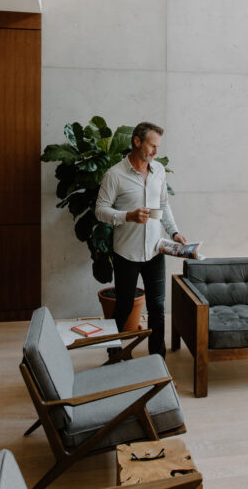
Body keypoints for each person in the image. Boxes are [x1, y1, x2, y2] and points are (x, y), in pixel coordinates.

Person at [95, 121, 186, 358]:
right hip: (126, 253)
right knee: (123, 307)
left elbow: (164, 205)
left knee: (157, 309)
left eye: (157, 147)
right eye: (152, 146)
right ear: (137, 141)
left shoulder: (159, 172)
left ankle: (158, 362)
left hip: (155, 252)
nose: (156, 152)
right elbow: (100, 210)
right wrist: (128, 216)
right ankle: (114, 357)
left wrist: (174, 232)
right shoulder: (114, 175)